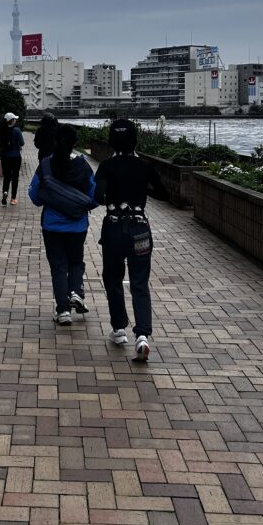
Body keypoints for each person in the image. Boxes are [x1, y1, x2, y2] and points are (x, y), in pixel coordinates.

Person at [93, 117, 167, 360]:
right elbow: (164, 194)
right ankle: (142, 335)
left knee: (113, 278)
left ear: (112, 141)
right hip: (140, 230)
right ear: (135, 139)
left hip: (113, 229)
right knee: (139, 282)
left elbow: (99, 196)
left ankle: (119, 328)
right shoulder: (144, 166)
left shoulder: (106, 166)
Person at [28, 124, 97, 325]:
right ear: (76, 143)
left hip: (52, 225)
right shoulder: (83, 166)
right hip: (77, 226)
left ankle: (63, 310)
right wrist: (79, 205)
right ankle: (76, 291)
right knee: (76, 262)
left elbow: (35, 197)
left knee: (58, 266)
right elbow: (94, 196)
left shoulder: (46, 165)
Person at [0, 111, 24, 206]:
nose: (16, 120)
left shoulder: (2, 130)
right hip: (16, 157)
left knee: (6, 177)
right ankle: (13, 198)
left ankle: (5, 192)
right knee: (15, 177)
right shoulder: (16, 130)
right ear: (11, 120)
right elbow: (22, 143)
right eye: (15, 119)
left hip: (5, 157)